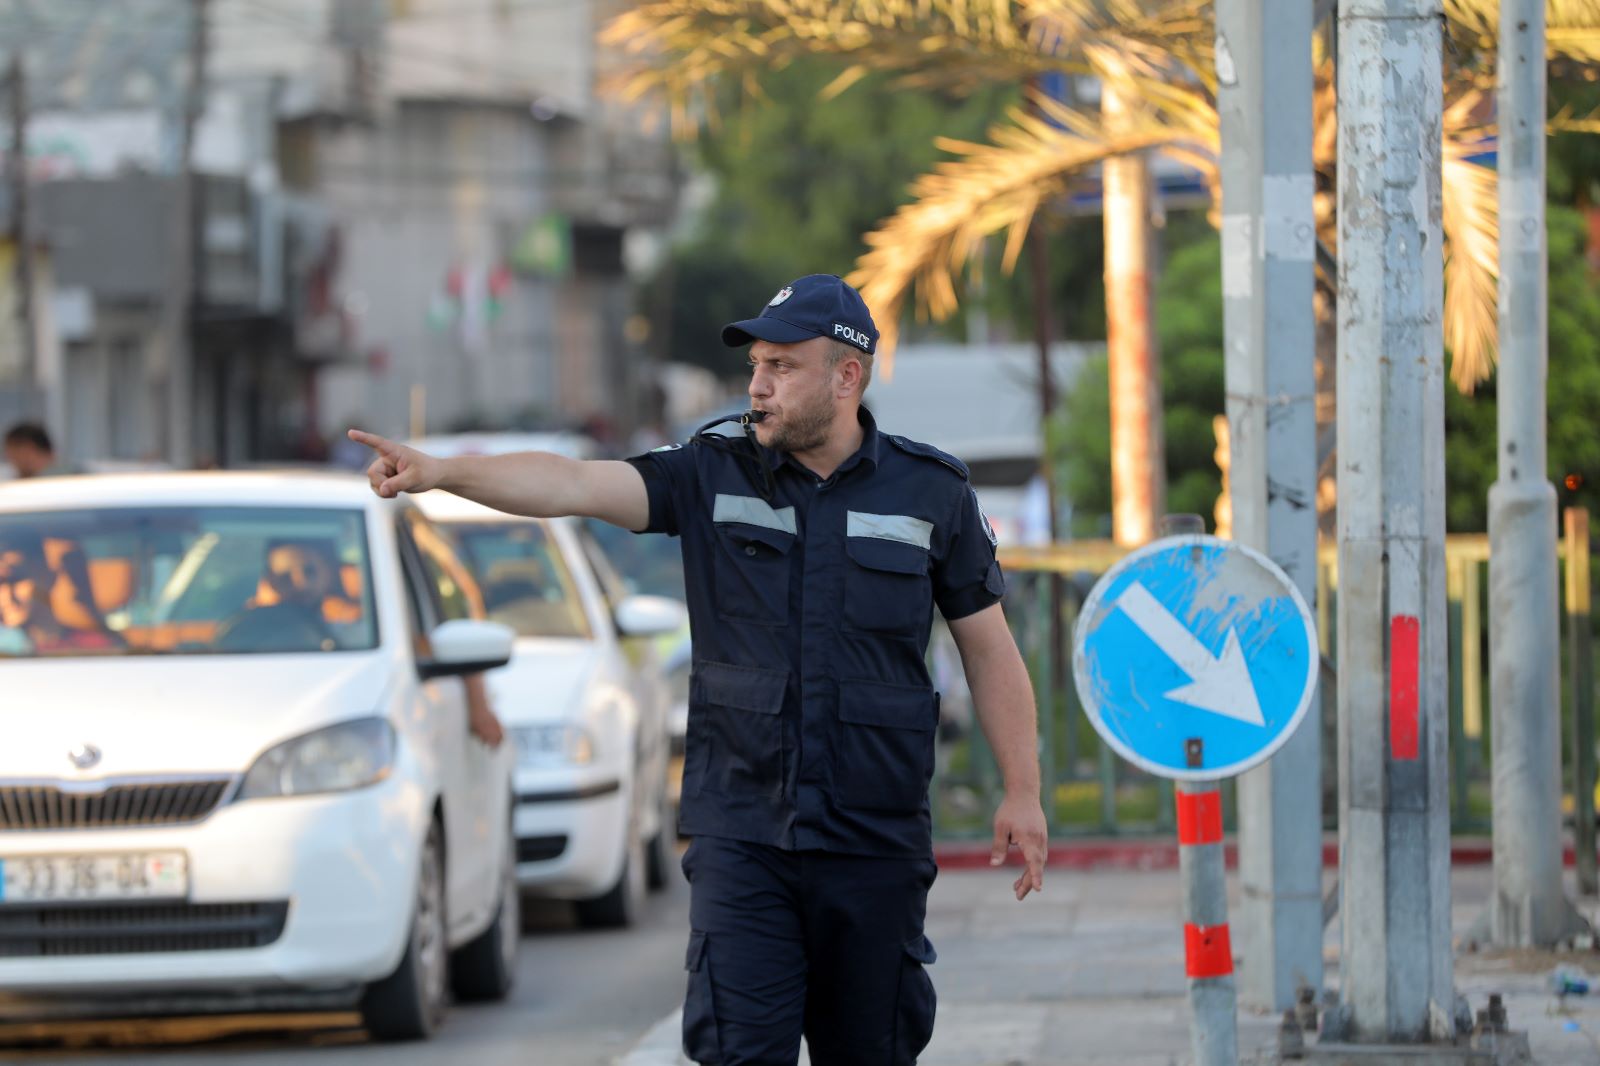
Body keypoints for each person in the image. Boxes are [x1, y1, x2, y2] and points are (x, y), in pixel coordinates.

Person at [348, 273, 1047, 1066]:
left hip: (875, 841)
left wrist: (1022, 792)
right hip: (743, 835)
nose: (758, 385)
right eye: (755, 366)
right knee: (739, 1053)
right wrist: (445, 473)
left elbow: (988, 650)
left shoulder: (931, 491)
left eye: (782, 366)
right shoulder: (711, 473)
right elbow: (574, 483)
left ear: (846, 376)